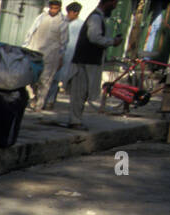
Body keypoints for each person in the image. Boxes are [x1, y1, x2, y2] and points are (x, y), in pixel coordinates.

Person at [65, 0, 123, 128]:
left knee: (83, 92)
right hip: (84, 62)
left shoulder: (99, 18)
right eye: (113, 3)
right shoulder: (95, 18)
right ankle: (74, 121)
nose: (114, 6)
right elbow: (94, 37)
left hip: (89, 62)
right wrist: (112, 41)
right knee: (79, 93)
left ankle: (76, 120)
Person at [26, 1, 71, 111]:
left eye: (55, 8)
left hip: (52, 55)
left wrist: (61, 57)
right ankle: (32, 97)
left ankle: (39, 105)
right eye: (51, 8)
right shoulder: (41, 17)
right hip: (35, 51)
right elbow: (30, 32)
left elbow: (64, 42)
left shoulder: (63, 21)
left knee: (45, 81)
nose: (53, 10)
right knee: (29, 77)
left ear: (59, 8)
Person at [42, 2, 85, 111]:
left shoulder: (81, 25)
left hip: (70, 56)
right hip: (57, 53)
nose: (67, 15)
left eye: (69, 13)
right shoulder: (63, 22)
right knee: (51, 77)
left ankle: (50, 101)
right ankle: (45, 100)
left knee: (57, 79)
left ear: (75, 13)